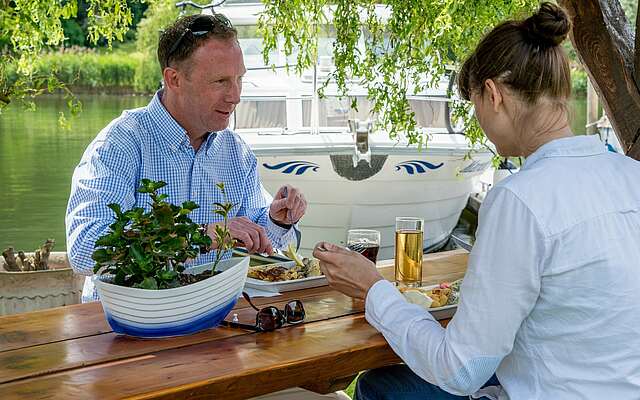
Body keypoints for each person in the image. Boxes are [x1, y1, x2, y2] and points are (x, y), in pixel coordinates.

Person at [314, 3, 640, 399]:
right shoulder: (630, 175)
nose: (479, 124)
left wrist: (374, 289)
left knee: (381, 390)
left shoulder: (520, 198)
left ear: (492, 94)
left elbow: (462, 368)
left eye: (474, 108)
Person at [66, 13, 308, 302]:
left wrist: (277, 220)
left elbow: (264, 242)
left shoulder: (236, 151)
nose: (236, 96)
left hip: (214, 321)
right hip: (127, 330)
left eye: (239, 79)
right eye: (220, 81)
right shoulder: (120, 143)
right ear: (174, 79)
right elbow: (84, 249)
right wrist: (199, 236)